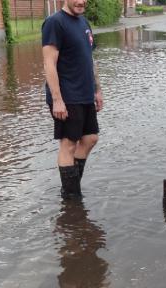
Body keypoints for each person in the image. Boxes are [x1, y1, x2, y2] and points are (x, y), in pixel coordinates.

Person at [42, 0, 103, 200]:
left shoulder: (84, 23)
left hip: (85, 93)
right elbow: (49, 62)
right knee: (68, 144)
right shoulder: (55, 22)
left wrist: (97, 89)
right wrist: (57, 100)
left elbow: (89, 59)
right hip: (67, 96)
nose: (81, 1)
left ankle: (71, 188)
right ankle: (72, 196)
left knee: (90, 138)